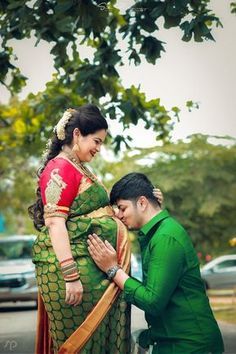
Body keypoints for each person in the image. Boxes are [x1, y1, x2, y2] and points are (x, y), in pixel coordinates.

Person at [28, 104, 133, 354]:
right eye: (96, 141)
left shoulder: (79, 167)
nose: (98, 148)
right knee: (81, 345)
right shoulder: (60, 168)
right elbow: (54, 223)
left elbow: (95, 213)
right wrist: (71, 276)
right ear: (77, 134)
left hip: (90, 270)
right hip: (72, 275)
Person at [87, 172, 225, 354]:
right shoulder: (155, 234)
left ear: (142, 203)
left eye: (122, 208)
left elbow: (153, 301)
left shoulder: (165, 238)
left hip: (191, 344)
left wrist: (113, 270)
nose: (119, 215)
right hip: (169, 341)